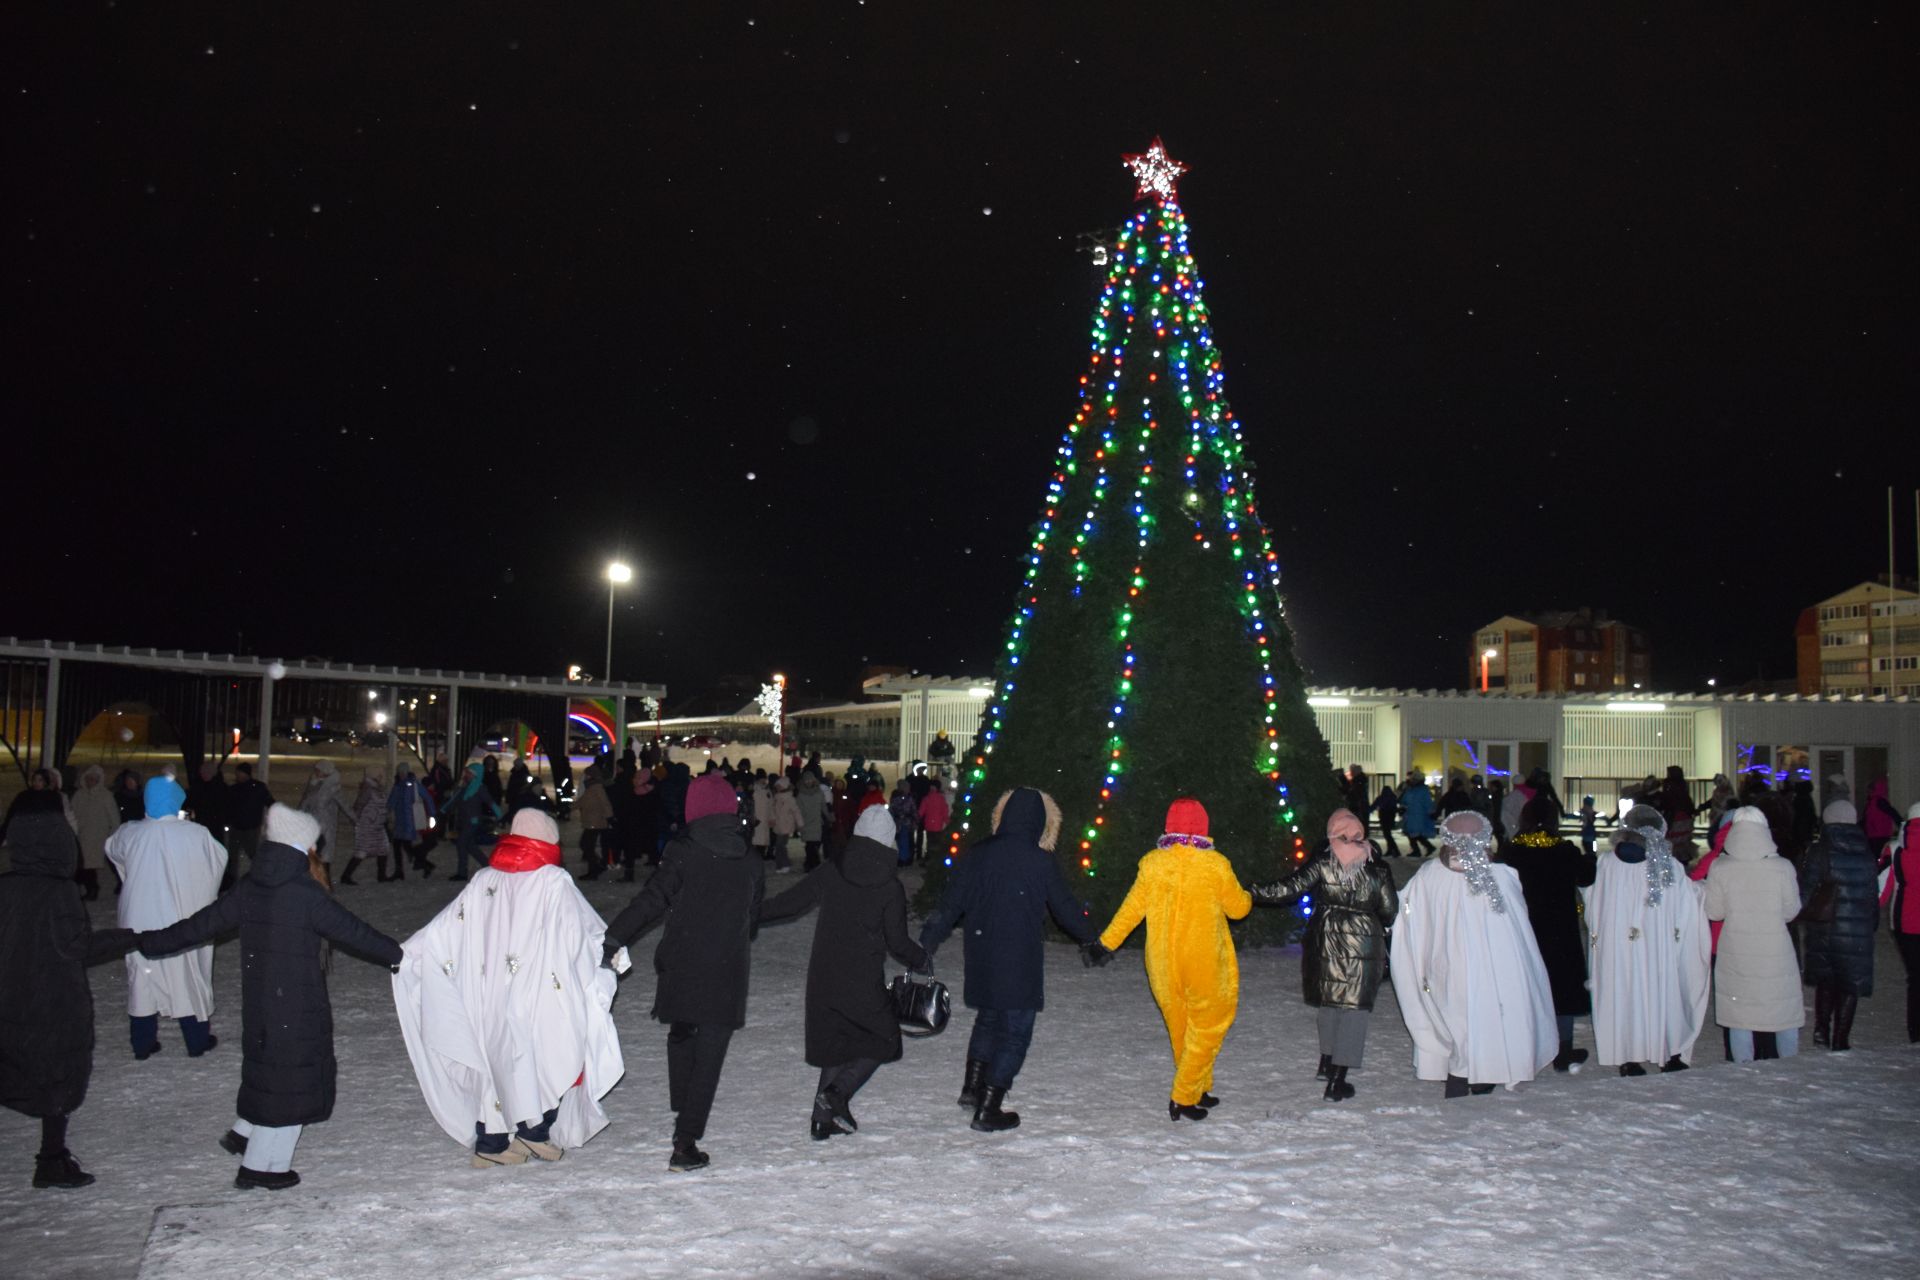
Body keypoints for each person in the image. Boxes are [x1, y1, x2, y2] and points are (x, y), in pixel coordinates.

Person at [133, 805, 403, 1191]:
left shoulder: (252, 884)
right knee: (291, 1083)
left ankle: (260, 1149)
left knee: (272, 1076)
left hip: (261, 1000)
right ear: (302, 843)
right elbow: (353, 932)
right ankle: (259, 1166)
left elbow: (202, 924)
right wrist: (398, 955)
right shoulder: (303, 892)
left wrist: (151, 941)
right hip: (298, 1002)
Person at [394, 808, 625, 1167]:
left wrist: (411, 953)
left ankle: (492, 1140)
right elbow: (578, 932)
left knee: (494, 1061)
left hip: (488, 995)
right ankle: (534, 1133)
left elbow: (446, 929)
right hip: (538, 993)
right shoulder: (552, 880)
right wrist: (604, 961)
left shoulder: (485, 878)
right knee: (544, 1056)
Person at [601, 772, 766, 1172]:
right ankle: (685, 1140)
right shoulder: (750, 857)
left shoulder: (683, 850)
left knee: (682, 1031)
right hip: (726, 967)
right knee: (709, 1052)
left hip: (682, 961)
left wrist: (613, 939)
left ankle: (683, 1107)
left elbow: (652, 900)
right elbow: (754, 918)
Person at [919, 788, 1100, 1133]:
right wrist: (1092, 938)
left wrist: (928, 941)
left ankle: (972, 1089)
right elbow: (1065, 909)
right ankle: (989, 1107)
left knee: (988, 1019)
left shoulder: (977, 855)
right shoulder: (1039, 861)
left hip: (982, 953)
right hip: (1019, 959)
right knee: (1015, 1033)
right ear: (1038, 822)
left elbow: (950, 904)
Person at [756, 805, 930, 1139]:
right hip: (861, 978)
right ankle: (836, 1095)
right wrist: (919, 958)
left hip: (824, 974)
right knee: (886, 1038)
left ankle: (822, 1120)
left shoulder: (833, 870)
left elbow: (791, 903)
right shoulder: (889, 886)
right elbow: (897, 941)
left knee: (836, 1042)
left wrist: (750, 914)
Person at [0, 783, 135, 1188]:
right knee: (54, 1078)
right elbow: (76, 946)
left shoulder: (4, 885)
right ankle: (52, 1159)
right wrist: (128, 938)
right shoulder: (58, 891)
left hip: (9, 999)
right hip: (50, 1002)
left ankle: (53, 1160)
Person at [1085, 798, 1252, 1118]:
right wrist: (1249, 895)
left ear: (1168, 826)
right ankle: (1183, 1096)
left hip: (1162, 964)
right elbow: (1238, 908)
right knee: (1209, 1025)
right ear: (1204, 827)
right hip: (1203, 962)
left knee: (1182, 1028)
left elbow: (1131, 910)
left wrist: (1105, 943)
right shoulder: (1215, 865)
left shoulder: (1153, 864)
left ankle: (1198, 1087)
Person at [1390, 810, 1557, 1098]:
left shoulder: (1433, 875)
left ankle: (1461, 1072)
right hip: (1489, 967)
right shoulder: (1499, 876)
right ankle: (1477, 1072)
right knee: (1484, 1016)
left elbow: (1410, 914)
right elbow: (1518, 926)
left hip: (1446, 965)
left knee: (1455, 1016)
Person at [1248, 808, 1396, 1102]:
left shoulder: (1324, 862)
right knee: (1354, 1009)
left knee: (1330, 1002)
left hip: (1326, 938)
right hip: (1364, 943)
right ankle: (1338, 1081)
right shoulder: (1377, 868)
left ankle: (1327, 1062)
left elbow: (1289, 888)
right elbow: (1389, 911)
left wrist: (1251, 892)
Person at [105, 775, 228, 1059]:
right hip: (180, 917)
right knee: (186, 974)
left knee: (142, 978)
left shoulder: (129, 832)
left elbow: (112, 850)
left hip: (137, 917)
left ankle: (142, 1044)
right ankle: (197, 1041)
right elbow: (218, 860)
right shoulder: (194, 834)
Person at [1585, 804, 1710, 1076]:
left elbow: (1593, 898)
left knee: (1625, 995)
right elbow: (1686, 902)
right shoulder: (1669, 866)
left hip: (1618, 947)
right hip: (1657, 947)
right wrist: (1703, 889)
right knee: (1661, 992)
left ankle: (1628, 1056)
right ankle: (1668, 1050)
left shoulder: (1606, 863)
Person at [1501, 796, 1597, 1072]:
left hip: (1524, 927)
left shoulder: (1512, 851)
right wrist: (1589, 856)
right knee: (1562, 988)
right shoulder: (1564, 850)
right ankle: (1562, 1049)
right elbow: (1586, 877)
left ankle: (1525, 1047)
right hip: (1560, 928)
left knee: (1526, 986)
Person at [1703, 808, 1803, 1062]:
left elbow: (1714, 912)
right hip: (1774, 948)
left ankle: (1742, 1069)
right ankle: (1790, 1066)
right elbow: (1791, 911)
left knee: (1740, 1015)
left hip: (1736, 948)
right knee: (1783, 1009)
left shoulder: (1720, 866)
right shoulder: (1782, 866)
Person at [1801, 800, 1878, 1051]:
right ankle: (1841, 1037)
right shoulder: (1866, 851)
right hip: (1857, 929)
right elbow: (1871, 894)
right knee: (1850, 983)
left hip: (1824, 925)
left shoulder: (1819, 850)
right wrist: (1871, 924)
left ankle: (1822, 1028)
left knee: (1827, 978)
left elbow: (1806, 892)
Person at [1880, 803, 1920, 1044]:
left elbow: (1881, 892)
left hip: (1905, 922)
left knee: (1915, 978)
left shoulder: (1894, 850)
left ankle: (1916, 1031)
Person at [70, 765, 119, 903]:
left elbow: (113, 817)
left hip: (98, 836)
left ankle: (92, 889)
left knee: (89, 864)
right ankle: (85, 887)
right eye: (89, 778)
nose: (91, 781)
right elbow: (73, 813)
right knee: (82, 864)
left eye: (94, 779)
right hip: (81, 834)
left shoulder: (105, 796)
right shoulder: (79, 795)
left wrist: (113, 833)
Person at [448, 760, 502, 881]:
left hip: (472, 822)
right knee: (471, 846)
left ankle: (462, 873)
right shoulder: (465, 787)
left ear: (475, 775)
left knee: (461, 844)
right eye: (467, 772)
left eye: (469, 773)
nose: (466, 774)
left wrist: (500, 815)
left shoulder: (480, 788)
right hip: (463, 821)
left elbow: (490, 802)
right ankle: (489, 867)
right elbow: (454, 801)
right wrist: (442, 811)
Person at [384, 764, 434, 879]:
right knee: (400, 846)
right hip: (400, 821)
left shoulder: (413, 784)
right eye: (400, 772)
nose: (401, 774)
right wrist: (387, 811)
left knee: (406, 847)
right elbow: (392, 800)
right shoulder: (398, 785)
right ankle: (402, 870)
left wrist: (432, 814)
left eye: (403, 772)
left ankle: (425, 865)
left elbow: (427, 797)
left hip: (409, 822)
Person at [340, 767, 387, 886]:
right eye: (380, 774)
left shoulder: (377, 787)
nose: (382, 776)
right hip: (367, 825)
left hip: (377, 825)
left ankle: (381, 876)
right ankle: (346, 876)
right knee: (362, 851)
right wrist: (356, 820)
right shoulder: (368, 789)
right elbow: (359, 804)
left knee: (383, 849)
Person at [226, 762, 273, 874]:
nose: (237, 776)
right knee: (234, 856)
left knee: (252, 854)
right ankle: (232, 879)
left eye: (239, 773)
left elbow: (270, 802)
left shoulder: (257, 788)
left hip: (250, 827)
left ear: (245, 774)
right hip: (238, 827)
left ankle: (261, 874)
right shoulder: (236, 789)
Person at [297, 760, 347, 865]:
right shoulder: (313, 783)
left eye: (318, 770)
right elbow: (305, 802)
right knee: (311, 853)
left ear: (326, 771)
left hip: (325, 826)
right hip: (311, 824)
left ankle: (323, 877)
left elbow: (344, 805)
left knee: (322, 854)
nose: (315, 772)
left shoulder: (333, 787)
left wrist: (356, 819)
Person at [575, 764, 614, 880]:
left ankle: (595, 869)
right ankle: (595, 867)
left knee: (586, 845)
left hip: (595, 822)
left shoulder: (596, 788)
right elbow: (582, 801)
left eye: (586, 774)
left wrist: (610, 818)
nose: (585, 777)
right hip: (591, 821)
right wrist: (568, 807)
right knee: (586, 845)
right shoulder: (591, 788)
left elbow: (605, 804)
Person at [1399, 770, 1437, 858]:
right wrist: (1403, 807)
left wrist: (1430, 812)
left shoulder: (1422, 790)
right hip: (1411, 815)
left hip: (1418, 815)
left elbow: (1427, 803)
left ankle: (1420, 849)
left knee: (1414, 834)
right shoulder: (1411, 789)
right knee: (1412, 833)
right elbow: (1404, 799)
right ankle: (1425, 848)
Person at [769, 776, 801, 874]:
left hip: (786, 826)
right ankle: (780, 865)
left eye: (779, 786)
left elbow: (796, 812)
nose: (777, 788)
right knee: (779, 846)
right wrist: (772, 819)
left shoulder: (790, 798)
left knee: (780, 845)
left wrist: (800, 824)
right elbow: (772, 810)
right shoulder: (776, 797)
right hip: (778, 825)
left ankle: (785, 864)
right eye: (777, 786)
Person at [796, 771, 828, 871]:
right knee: (810, 845)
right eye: (807, 780)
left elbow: (823, 805)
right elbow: (798, 810)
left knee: (814, 844)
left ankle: (811, 863)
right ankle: (812, 864)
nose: (809, 782)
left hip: (816, 822)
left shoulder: (819, 792)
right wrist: (799, 823)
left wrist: (828, 815)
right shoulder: (801, 795)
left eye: (810, 779)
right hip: (806, 823)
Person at [1863, 776, 1901, 859]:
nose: (1868, 791)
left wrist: (1903, 827)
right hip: (1874, 836)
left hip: (1880, 837)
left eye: (1870, 788)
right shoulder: (1873, 802)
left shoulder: (1879, 801)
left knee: (1879, 858)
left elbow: (1893, 813)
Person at [917, 778, 950, 865]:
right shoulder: (941, 799)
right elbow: (944, 811)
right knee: (937, 843)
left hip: (929, 825)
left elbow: (921, 811)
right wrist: (947, 822)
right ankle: (935, 861)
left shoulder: (926, 798)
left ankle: (929, 860)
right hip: (938, 826)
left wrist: (916, 819)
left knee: (930, 843)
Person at [887, 780, 918, 868]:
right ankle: (902, 858)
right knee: (900, 841)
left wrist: (915, 821)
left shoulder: (910, 798)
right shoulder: (896, 798)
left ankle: (905, 858)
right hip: (898, 823)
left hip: (907, 823)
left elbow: (914, 811)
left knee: (906, 841)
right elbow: (892, 809)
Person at [1372, 784, 1401, 857]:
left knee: (1387, 835)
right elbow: (1395, 807)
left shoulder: (1381, 798)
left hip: (1384, 818)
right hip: (1390, 818)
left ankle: (1395, 850)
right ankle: (1391, 850)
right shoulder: (1393, 797)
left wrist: (1367, 810)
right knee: (1388, 835)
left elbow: (1374, 805)